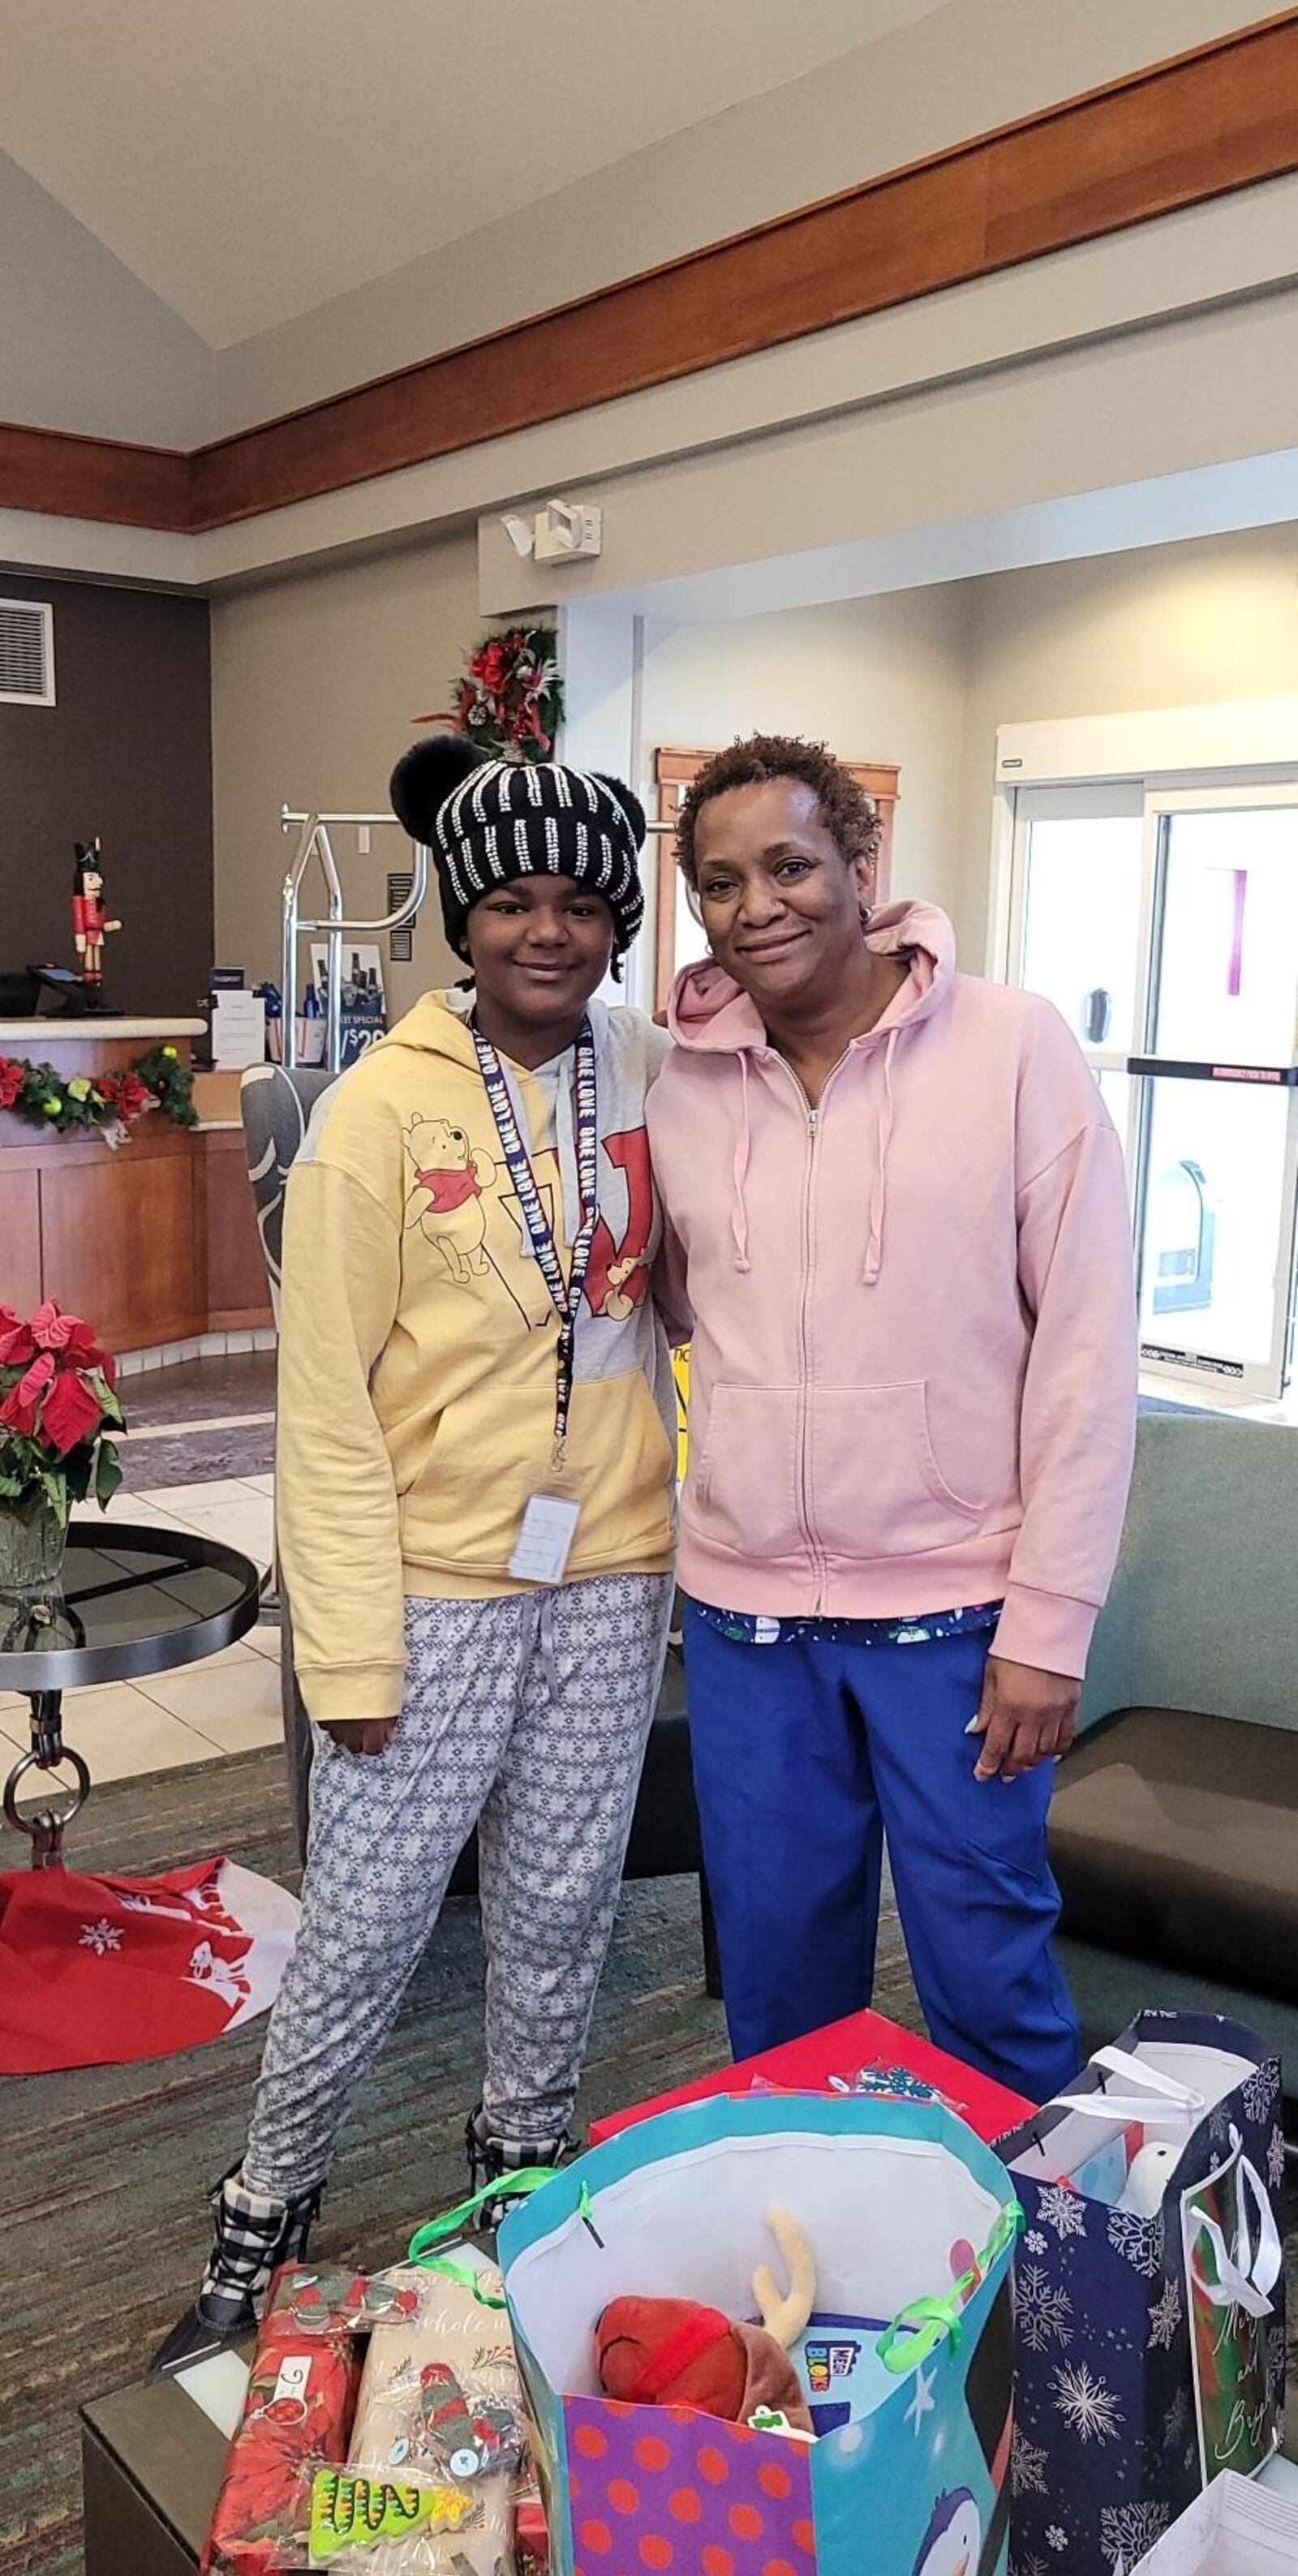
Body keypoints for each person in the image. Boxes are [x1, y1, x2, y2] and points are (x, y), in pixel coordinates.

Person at [153, 735, 677, 2373]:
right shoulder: (377, 1108)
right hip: (435, 1589)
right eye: (507, 900)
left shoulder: (652, 1071)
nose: (545, 931)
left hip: (611, 1573)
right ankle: (264, 2212)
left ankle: (520, 2168)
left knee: (560, 1901)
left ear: (614, 920)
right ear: (461, 917)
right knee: (371, 1921)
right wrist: (348, 1656)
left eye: (577, 903)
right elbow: (322, 1416)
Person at [647, 734, 1137, 2102]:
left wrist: (1050, 1625)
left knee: (987, 1976)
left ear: (863, 868)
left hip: (958, 1623)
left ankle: (1040, 2286)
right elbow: (683, 1308)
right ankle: (825, 2273)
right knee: (782, 1992)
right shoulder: (679, 1086)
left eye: (792, 865)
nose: (760, 906)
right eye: (724, 881)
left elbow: (1088, 1359)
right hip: (749, 1629)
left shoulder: (1012, 1046)